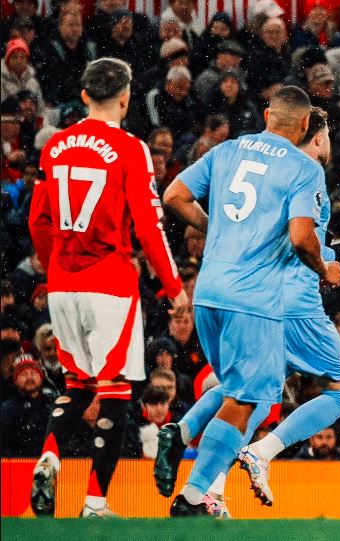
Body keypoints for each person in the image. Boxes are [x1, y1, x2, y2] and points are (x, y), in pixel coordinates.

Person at [159, 102, 340, 517]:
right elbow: (301, 239)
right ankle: (225, 475)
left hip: (210, 290)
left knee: (242, 393)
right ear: (311, 130)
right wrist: (328, 269)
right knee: (338, 389)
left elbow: (173, 195)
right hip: (270, 299)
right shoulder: (303, 171)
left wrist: (217, 227)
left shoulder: (230, 150)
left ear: (267, 115)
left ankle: (190, 449)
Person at [27, 58, 186, 518]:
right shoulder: (130, 149)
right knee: (114, 391)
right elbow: (149, 226)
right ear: (126, 97)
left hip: (63, 282)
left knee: (77, 384)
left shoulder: (55, 146)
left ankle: (49, 456)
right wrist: (174, 286)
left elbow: (38, 220)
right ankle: (95, 502)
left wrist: (54, 268)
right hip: (109, 284)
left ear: (83, 96)